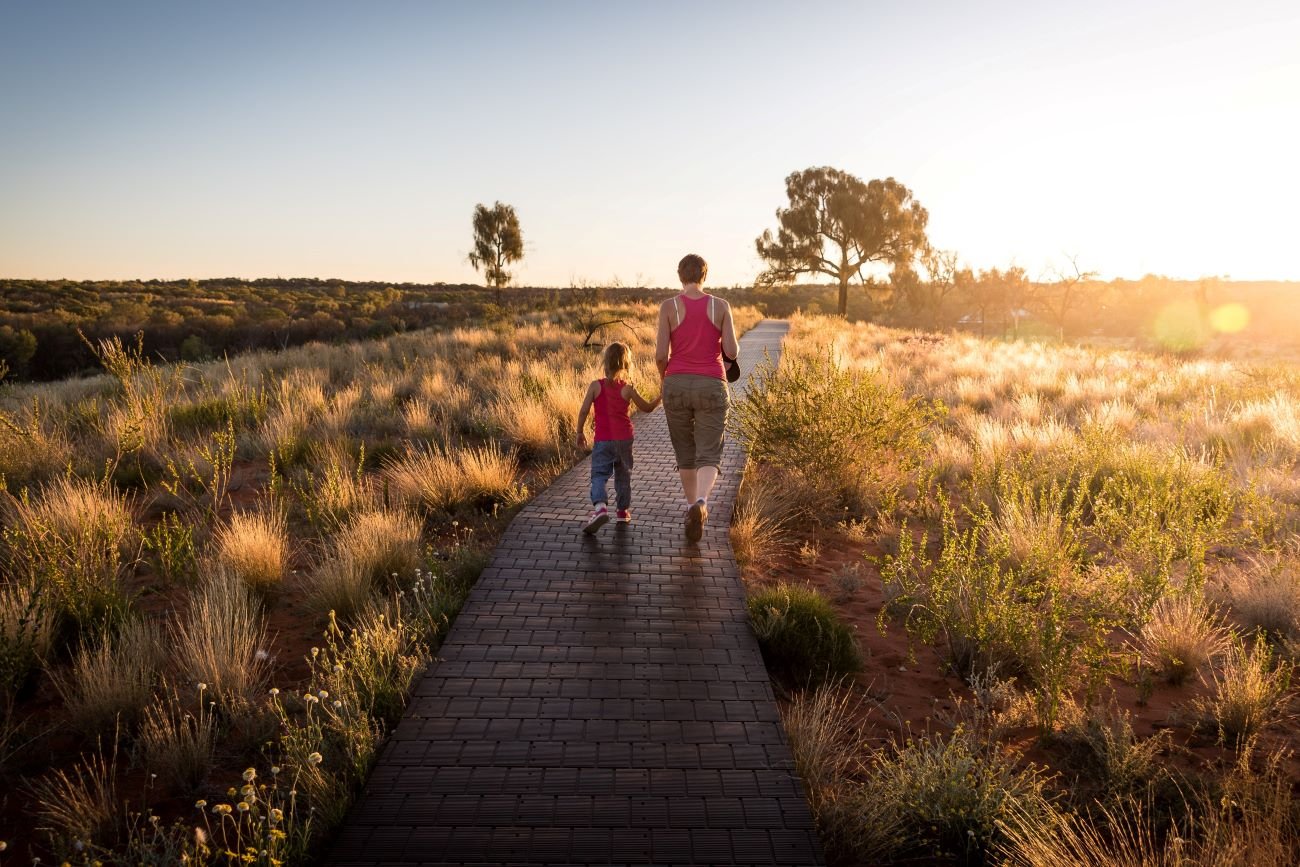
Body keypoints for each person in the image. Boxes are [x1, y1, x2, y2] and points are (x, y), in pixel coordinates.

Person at [655, 253, 740, 542]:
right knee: (709, 451)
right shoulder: (720, 306)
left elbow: (659, 354)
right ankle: (702, 502)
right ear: (705, 275)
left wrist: (664, 378)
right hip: (712, 384)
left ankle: (691, 505)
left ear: (680, 275)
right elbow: (732, 350)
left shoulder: (668, 307)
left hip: (676, 383)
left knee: (685, 451)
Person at [575, 341, 661, 534]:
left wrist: (579, 431)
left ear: (605, 362)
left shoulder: (595, 386)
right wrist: (660, 397)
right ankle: (622, 511)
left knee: (599, 475)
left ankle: (600, 508)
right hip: (624, 439)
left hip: (603, 440)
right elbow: (647, 408)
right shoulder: (627, 389)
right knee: (623, 475)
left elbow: (583, 411)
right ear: (625, 365)